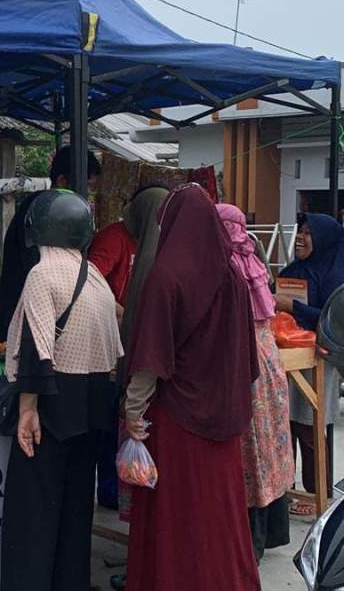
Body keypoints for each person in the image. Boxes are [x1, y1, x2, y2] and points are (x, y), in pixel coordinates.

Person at [124, 184, 261, 591]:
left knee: (177, 516)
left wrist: (132, 413)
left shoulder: (166, 276)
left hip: (177, 420)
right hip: (224, 416)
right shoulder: (232, 276)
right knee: (220, 513)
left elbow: (151, 358)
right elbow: (245, 353)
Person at [1, 190, 123, 591]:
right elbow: (114, 343)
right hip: (92, 405)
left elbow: (37, 347)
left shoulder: (42, 274)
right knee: (75, 512)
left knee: (32, 515)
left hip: (51, 404)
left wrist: (27, 410)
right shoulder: (96, 278)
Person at [217, 204, 294, 562]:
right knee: (266, 447)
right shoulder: (254, 262)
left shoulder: (226, 266)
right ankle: (266, 533)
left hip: (243, 368)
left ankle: (250, 542)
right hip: (269, 366)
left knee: (249, 451)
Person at [89, 185, 167, 511]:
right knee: (112, 417)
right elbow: (90, 278)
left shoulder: (165, 240)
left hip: (143, 342)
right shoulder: (114, 237)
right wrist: (123, 312)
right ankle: (110, 489)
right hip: (113, 342)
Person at [0, 146, 102, 342]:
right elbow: (41, 269)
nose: (88, 194)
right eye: (87, 186)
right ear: (62, 181)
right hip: (28, 319)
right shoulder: (43, 212)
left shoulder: (49, 209)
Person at [276, 213, 343, 513]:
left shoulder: (335, 277)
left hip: (316, 359)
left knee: (310, 426)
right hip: (286, 355)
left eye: (308, 233)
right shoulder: (294, 270)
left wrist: (294, 306)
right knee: (285, 425)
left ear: (324, 240)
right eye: (300, 232)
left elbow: (333, 320)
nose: (300, 238)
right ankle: (285, 489)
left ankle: (318, 494)